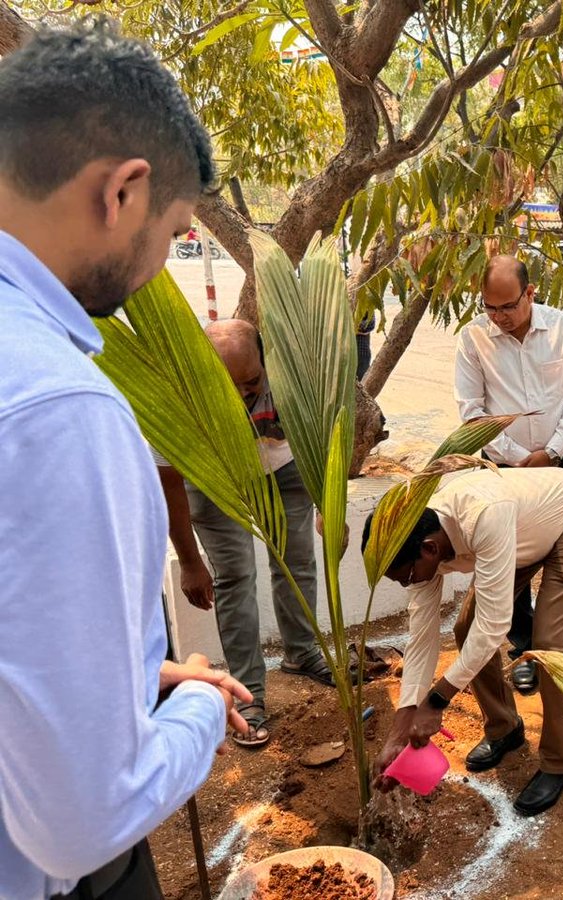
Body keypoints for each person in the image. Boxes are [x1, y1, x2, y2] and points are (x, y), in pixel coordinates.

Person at [0, 22, 252, 899]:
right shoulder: (57, 405)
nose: (157, 272)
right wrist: (194, 707)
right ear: (125, 192)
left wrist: (137, 673)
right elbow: (83, 821)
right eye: (176, 233)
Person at [370, 468, 563, 815]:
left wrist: (435, 702)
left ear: (430, 549)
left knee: (549, 644)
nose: (406, 584)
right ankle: (505, 727)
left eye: (405, 577)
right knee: (466, 630)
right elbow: (422, 637)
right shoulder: (419, 538)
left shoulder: (482, 514)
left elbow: (495, 625)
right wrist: (399, 731)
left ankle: (559, 763)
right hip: (521, 538)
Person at [155, 319, 331, 748]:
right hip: (215, 479)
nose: (240, 395)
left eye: (251, 382)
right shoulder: (176, 395)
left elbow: (322, 434)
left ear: (267, 362)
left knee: (297, 562)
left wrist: (329, 503)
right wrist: (191, 561)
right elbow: (171, 482)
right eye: (225, 385)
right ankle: (248, 691)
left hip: (284, 467)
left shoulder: (293, 377)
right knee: (235, 577)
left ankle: (302, 653)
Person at [454, 255, 563, 694]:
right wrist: (516, 456)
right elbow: (472, 412)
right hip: (505, 468)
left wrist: (551, 452)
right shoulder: (473, 339)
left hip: (562, 461)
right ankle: (524, 648)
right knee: (513, 560)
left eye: (508, 307)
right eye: (490, 308)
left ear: (530, 294)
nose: (499, 318)